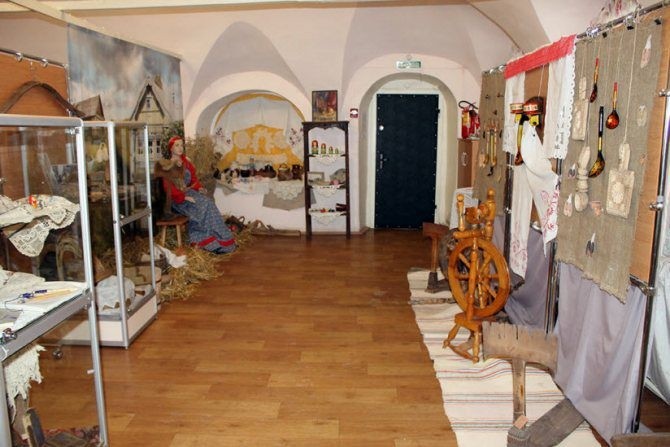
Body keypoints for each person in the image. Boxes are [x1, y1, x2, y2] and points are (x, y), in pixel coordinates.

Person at [159, 136, 236, 254]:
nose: (180, 148)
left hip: (189, 193)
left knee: (208, 202)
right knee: (204, 205)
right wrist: (184, 197)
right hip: (178, 199)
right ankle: (203, 241)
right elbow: (168, 188)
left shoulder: (186, 162)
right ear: (171, 148)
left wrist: (199, 188)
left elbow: (193, 179)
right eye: (177, 145)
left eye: (181, 145)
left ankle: (222, 240)